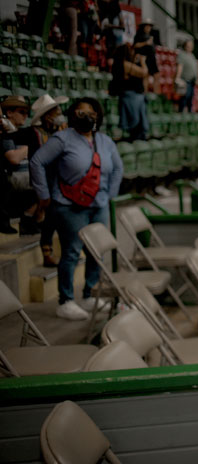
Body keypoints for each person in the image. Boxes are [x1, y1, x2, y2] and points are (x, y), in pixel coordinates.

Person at [30, 98, 123, 321]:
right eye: (80, 113)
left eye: (91, 113)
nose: (86, 117)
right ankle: (66, 301)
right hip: (70, 206)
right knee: (71, 251)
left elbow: (118, 167)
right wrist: (43, 195)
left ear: (98, 116)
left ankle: (90, 293)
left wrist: (109, 195)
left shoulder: (104, 140)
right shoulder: (62, 139)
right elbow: (37, 162)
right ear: (72, 116)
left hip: (98, 204)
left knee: (96, 251)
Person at [11, 94, 70, 266]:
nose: (59, 115)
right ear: (47, 116)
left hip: (54, 179)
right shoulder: (33, 133)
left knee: (52, 212)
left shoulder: (57, 133)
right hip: (39, 178)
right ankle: (33, 221)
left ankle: (33, 217)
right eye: (56, 112)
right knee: (49, 209)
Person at [1, 96, 40, 235]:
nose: (25, 116)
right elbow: (14, 158)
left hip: (26, 174)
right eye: (21, 112)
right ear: (10, 113)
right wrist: (33, 145)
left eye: (26, 113)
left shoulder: (23, 133)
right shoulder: (7, 134)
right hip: (15, 177)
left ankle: (31, 219)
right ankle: (28, 218)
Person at [110, 43, 149, 141]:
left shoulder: (119, 64)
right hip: (132, 97)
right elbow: (144, 72)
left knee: (135, 124)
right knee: (136, 125)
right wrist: (143, 61)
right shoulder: (125, 64)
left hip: (128, 96)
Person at [133, 19, 160, 93]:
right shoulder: (139, 35)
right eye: (147, 26)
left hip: (152, 58)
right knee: (146, 76)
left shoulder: (151, 35)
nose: (149, 28)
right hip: (144, 58)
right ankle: (144, 93)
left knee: (156, 75)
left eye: (150, 26)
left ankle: (156, 94)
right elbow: (135, 45)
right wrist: (145, 43)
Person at [175, 39, 198, 113]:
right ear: (185, 46)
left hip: (192, 81)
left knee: (190, 99)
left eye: (191, 46)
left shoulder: (192, 56)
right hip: (185, 81)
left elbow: (195, 68)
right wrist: (178, 77)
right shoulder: (182, 55)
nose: (190, 47)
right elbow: (180, 66)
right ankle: (181, 114)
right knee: (184, 97)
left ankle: (189, 115)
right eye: (188, 46)